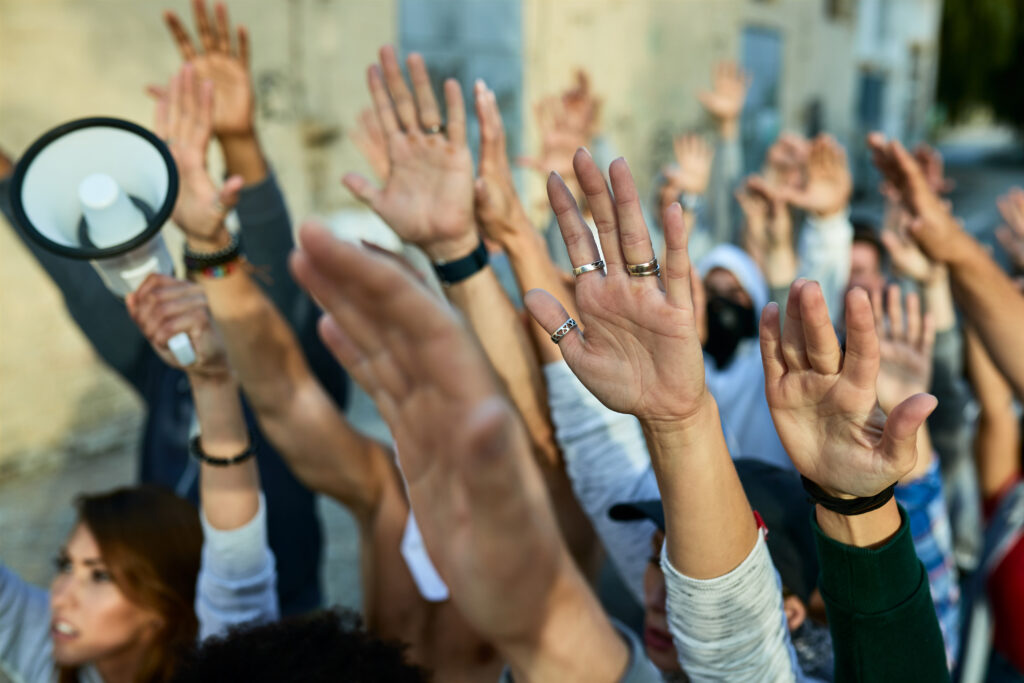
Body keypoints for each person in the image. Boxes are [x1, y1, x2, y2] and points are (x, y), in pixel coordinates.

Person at [159, 54, 506, 681]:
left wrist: (455, 250)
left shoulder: (537, 496)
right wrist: (210, 245)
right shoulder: (387, 491)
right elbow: (282, 396)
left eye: (411, 324)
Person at [0, 0, 331, 616]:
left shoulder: (295, 376)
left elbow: (271, 284)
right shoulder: (157, 367)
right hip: (162, 615)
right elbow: (71, 267)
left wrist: (238, 143)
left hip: (285, 613)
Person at [290, 223, 660, 682]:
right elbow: (284, 407)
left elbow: (538, 435)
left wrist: (462, 255)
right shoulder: (388, 490)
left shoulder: (553, 509)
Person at [0, 258, 277, 683]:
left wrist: (214, 380)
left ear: (161, 610)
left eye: (100, 576)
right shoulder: (53, 653)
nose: (61, 596)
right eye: (65, 566)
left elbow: (237, 558)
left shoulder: (223, 662)